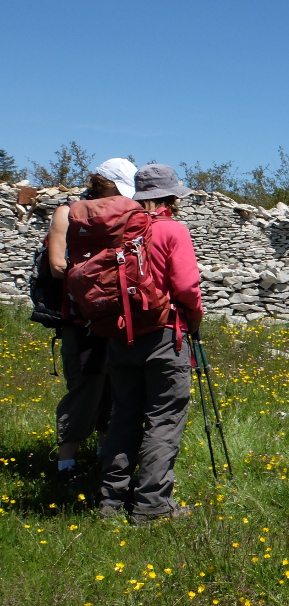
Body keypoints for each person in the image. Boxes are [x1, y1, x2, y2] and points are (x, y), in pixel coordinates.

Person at [98, 164, 204, 523]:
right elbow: (187, 287)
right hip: (163, 334)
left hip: (119, 335)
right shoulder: (172, 230)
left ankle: (110, 502)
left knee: (123, 416)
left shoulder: (115, 229)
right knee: (163, 419)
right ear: (171, 197)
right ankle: (152, 505)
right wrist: (196, 317)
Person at [46, 158, 137, 483]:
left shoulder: (68, 212)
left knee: (112, 386)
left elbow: (61, 267)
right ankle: (66, 467)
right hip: (91, 317)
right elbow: (57, 266)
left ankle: (104, 457)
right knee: (85, 386)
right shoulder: (68, 212)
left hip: (103, 316)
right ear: (109, 183)